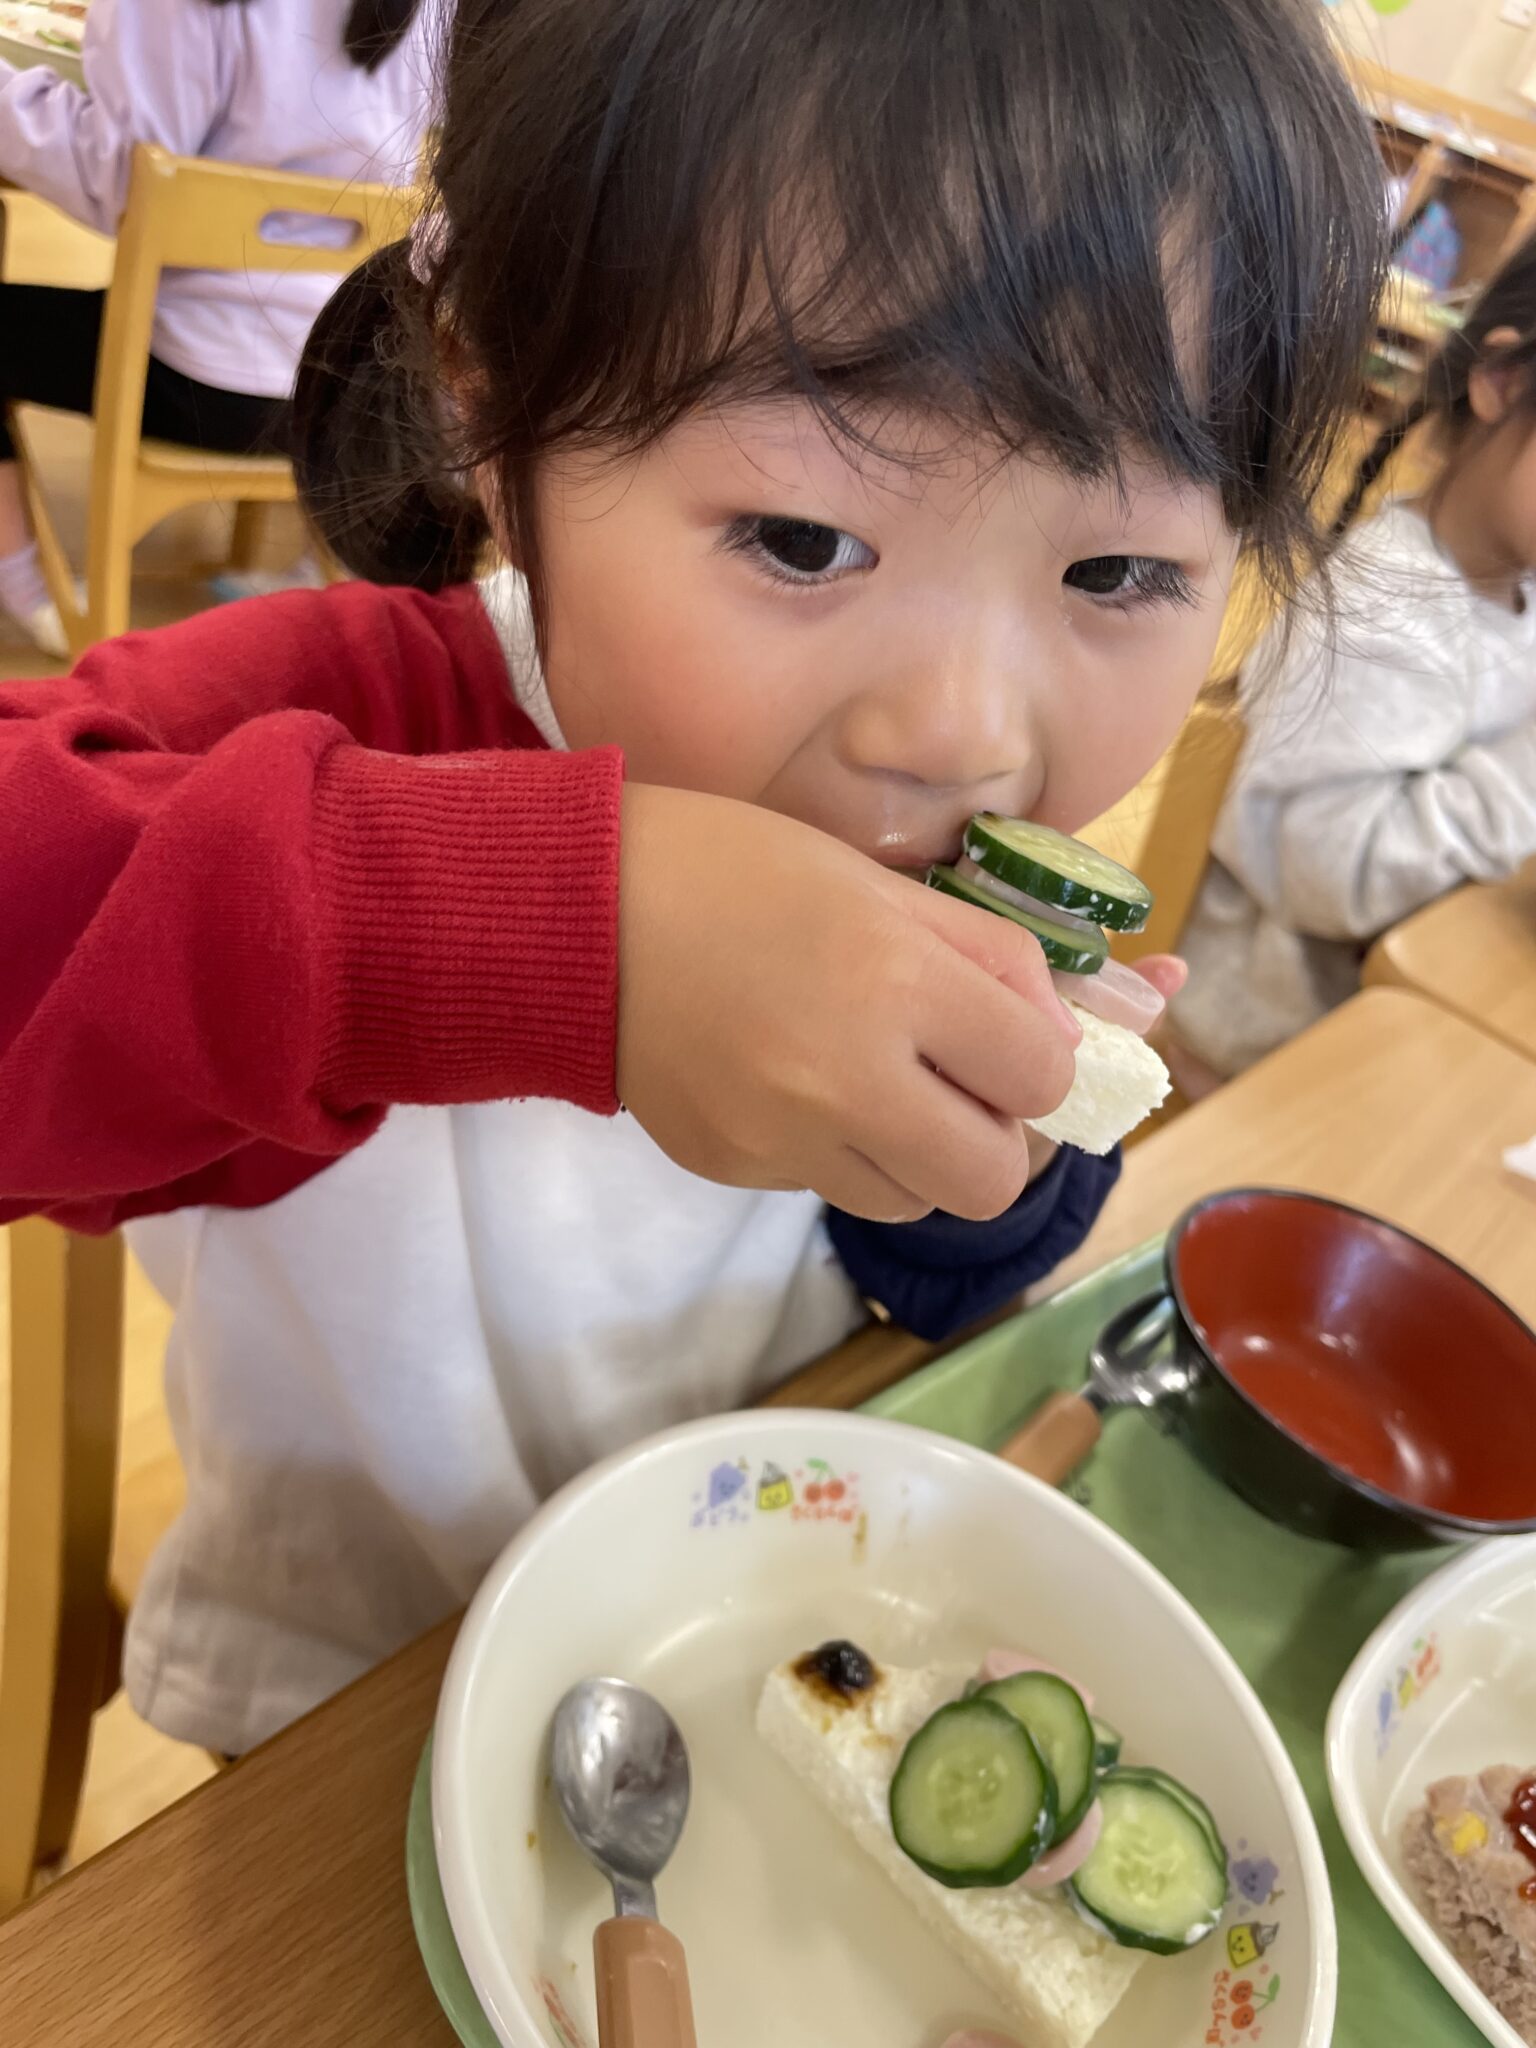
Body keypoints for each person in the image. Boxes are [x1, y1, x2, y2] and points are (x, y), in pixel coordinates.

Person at [0, 0, 1382, 1755]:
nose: (959, 733)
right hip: (335, 1715)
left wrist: (987, 1154)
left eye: (1114, 574)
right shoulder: (359, 721)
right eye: (803, 539)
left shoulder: (979, 843)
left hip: (750, 1669)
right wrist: (564, 935)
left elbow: (929, 1300)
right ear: (492, 404)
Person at [1170, 239, 1536, 1087]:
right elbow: (1324, 877)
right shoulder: (1384, 608)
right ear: (1505, 382)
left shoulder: (1517, 593)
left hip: (1416, 1003)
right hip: (1265, 1047)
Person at [0, 0, 435, 652]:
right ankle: (316, 575)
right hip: (346, 381)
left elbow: (116, 178)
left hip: (198, 381)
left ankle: (31, 590)